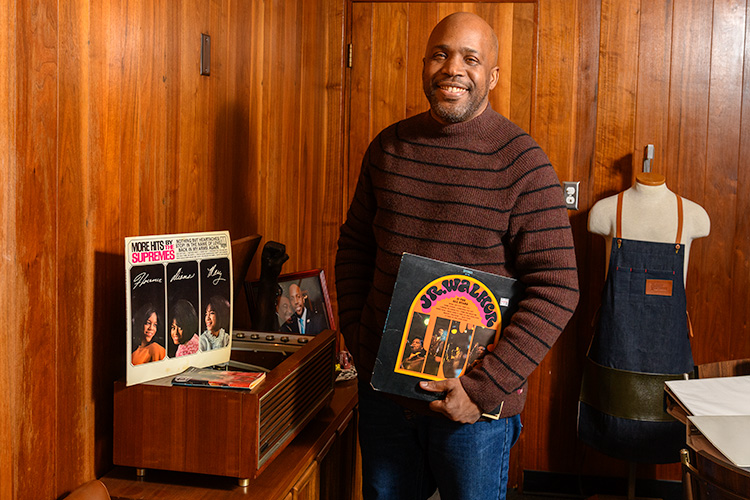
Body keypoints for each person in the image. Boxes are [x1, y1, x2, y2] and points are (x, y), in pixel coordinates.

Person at [335, 11, 579, 500]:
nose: (453, 69)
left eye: (471, 58)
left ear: (491, 76)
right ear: (425, 64)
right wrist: (362, 341)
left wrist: (484, 390)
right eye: (441, 54)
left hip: (471, 413)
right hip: (385, 398)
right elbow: (356, 248)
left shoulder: (524, 164)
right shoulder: (388, 148)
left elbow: (558, 289)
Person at [579, 174, 710, 463]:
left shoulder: (693, 215)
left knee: (667, 422)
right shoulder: (606, 211)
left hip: (668, 352)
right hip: (616, 346)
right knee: (612, 416)